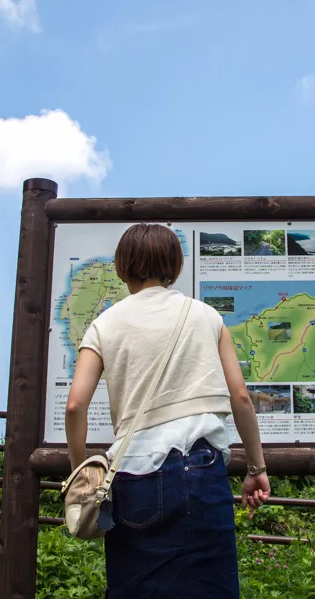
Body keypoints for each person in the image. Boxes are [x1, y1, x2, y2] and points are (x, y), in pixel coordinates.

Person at [65, 223, 271, 598]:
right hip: (202, 468)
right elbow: (240, 397)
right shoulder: (207, 316)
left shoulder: (103, 325)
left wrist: (81, 470)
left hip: (133, 476)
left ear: (122, 267)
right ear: (175, 265)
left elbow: (76, 404)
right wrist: (256, 469)